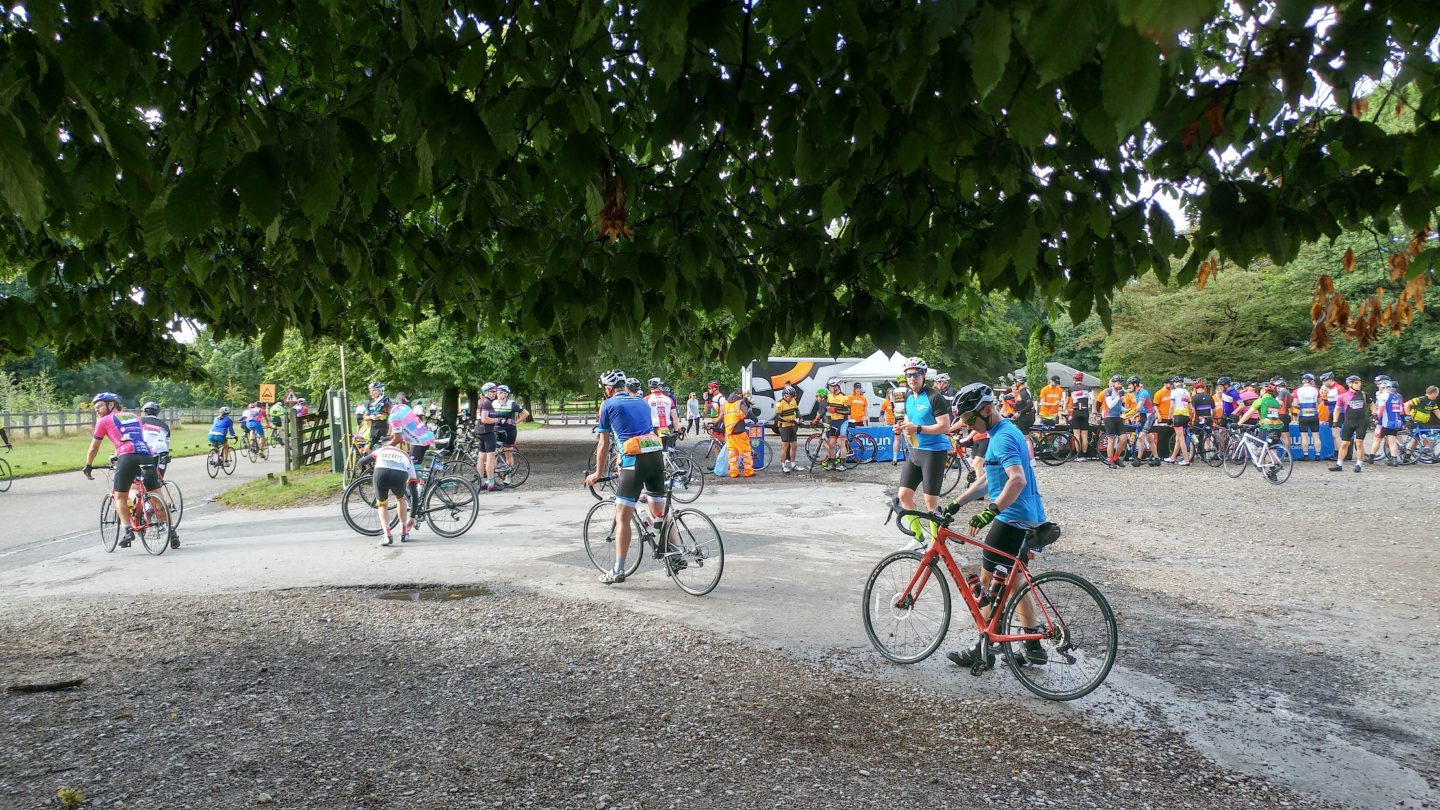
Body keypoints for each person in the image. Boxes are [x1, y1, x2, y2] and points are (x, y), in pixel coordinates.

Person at [944, 382, 1049, 669]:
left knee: (987, 583)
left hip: (1012, 518)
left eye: (969, 419)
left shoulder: (1002, 437)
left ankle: (984, 649)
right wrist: (958, 502)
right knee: (1014, 581)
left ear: (987, 409)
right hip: (1027, 515)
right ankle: (1034, 647)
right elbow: (991, 479)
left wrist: (990, 512)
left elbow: (1017, 480)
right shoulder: (1001, 433)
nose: (966, 426)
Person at [585, 369, 667, 584]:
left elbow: (603, 444)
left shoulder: (607, 405)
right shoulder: (641, 401)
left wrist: (598, 472)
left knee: (622, 517)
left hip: (633, 462)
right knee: (661, 513)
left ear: (608, 389)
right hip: (656, 457)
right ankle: (676, 554)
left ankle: (618, 569)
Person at [82, 393, 174, 549]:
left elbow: (94, 447)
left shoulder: (103, 421)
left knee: (120, 497)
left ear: (111, 405)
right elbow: (133, 437)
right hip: (146, 456)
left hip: (127, 457)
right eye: (95, 408)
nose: (96, 410)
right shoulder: (135, 416)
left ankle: (128, 531)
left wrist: (88, 465)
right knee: (157, 496)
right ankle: (171, 531)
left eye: (99, 406)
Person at [894, 358, 952, 544]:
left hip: (934, 452)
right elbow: (909, 423)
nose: (912, 378)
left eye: (916, 374)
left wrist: (917, 428)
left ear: (923, 376)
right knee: (904, 496)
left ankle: (936, 545)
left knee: (931, 504)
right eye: (909, 375)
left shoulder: (935, 397)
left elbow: (945, 427)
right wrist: (901, 428)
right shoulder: (909, 397)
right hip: (916, 451)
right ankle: (919, 538)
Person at [138, 401, 180, 548]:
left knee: (136, 485)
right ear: (157, 413)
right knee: (156, 484)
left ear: (144, 411)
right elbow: (166, 446)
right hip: (158, 457)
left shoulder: (139, 422)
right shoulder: (164, 426)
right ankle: (170, 528)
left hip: (139, 455)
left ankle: (148, 508)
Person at [367, 433, 418, 546]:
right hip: (399, 475)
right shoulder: (406, 456)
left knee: (382, 505)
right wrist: (413, 516)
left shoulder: (382, 449)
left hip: (381, 473)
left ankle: (387, 535)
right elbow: (414, 492)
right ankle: (404, 533)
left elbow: (363, 461)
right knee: (401, 499)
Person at [388, 392, 436, 509]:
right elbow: (395, 433)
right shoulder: (402, 407)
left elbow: (397, 438)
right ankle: (419, 490)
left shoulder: (393, 416)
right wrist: (390, 439)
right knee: (413, 466)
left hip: (419, 441)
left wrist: (387, 446)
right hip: (424, 437)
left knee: (411, 466)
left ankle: (420, 491)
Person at [1331, 375, 1369, 473]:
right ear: (1350, 384)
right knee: (1344, 443)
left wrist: (1374, 414)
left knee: (1359, 443)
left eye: (1360, 382)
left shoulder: (1364, 394)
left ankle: (1359, 464)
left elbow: (1372, 404)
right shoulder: (1343, 396)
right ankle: (1339, 464)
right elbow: (1337, 409)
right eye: (1356, 383)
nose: (1359, 384)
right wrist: (1335, 421)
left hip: (1361, 421)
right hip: (1349, 422)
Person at [721, 388, 756, 478]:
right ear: (740, 395)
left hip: (729, 432)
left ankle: (733, 473)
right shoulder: (739, 402)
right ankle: (748, 472)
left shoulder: (726, 403)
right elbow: (747, 412)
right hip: (738, 431)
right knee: (746, 452)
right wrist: (755, 419)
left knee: (733, 453)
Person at [473, 382, 502, 491]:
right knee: (490, 458)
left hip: (480, 432)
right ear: (486, 392)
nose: (495, 393)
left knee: (481, 457)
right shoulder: (487, 403)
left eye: (496, 391)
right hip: (487, 433)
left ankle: (481, 482)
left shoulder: (481, 402)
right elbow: (485, 419)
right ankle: (491, 483)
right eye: (492, 391)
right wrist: (497, 420)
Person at [1369, 378, 1404, 466]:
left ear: (1383, 387)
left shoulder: (1383, 396)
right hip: (1396, 421)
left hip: (1385, 422)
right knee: (1392, 441)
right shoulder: (1396, 396)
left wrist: (1375, 419)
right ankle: (1394, 460)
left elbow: (1380, 409)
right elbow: (1400, 410)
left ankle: (1371, 458)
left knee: (1377, 439)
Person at [1292, 373, 1322, 461]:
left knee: (1304, 436)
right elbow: (1319, 402)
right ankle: (1317, 455)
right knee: (1316, 436)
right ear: (1311, 381)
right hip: (1314, 415)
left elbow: (1295, 404)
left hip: (1303, 415)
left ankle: (1305, 455)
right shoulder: (1316, 390)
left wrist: (1301, 407)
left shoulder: (1297, 391)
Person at [1404, 385, 1440, 457]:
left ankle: (1408, 457)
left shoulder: (1432, 403)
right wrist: (1408, 415)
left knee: (1425, 438)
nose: (1437, 395)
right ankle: (1407, 456)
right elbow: (1407, 404)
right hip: (1413, 422)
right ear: (1433, 393)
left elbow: (1438, 413)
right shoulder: (1420, 399)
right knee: (1417, 439)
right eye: (1437, 393)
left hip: (1422, 423)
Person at [1100, 375, 1127, 467]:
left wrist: (1127, 410)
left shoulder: (1119, 392)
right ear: (1113, 383)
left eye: (1121, 383)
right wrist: (1118, 397)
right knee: (1111, 440)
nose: (1120, 385)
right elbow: (1110, 405)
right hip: (1109, 417)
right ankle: (1110, 460)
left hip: (1117, 416)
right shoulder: (1109, 391)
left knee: (1123, 438)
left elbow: (1119, 406)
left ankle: (1116, 457)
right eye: (1118, 383)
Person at [645, 378, 680, 449]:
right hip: (666, 427)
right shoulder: (669, 399)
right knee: (665, 449)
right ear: (660, 387)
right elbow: (675, 417)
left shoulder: (646, 399)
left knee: (654, 450)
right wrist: (676, 430)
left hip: (653, 428)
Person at [1065, 372, 1093, 459]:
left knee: (1076, 435)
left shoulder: (1071, 389)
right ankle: (1084, 455)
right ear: (1082, 379)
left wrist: (1065, 409)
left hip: (1076, 411)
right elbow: (1093, 399)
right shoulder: (1088, 388)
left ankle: (1078, 455)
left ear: (1074, 379)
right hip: (1085, 411)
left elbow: (1066, 401)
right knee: (1084, 435)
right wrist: (1094, 410)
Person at [774, 385, 801, 473]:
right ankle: (783, 465)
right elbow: (778, 417)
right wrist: (790, 420)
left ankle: (793, 465)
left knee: (794, 445)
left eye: (793, 397)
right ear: (785, 396)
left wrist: (799, 417)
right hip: (784, 426)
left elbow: (797, 410)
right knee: (785, 446)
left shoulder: (793, 400)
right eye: (790, 397)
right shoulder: (779, 403)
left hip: (792, 425)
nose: (792, 398)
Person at [1166, 377, 1192, 465]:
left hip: (1178, 416)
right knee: (1178, 438)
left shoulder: (1174, 392)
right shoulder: (1186, 392)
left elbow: (1171, 406)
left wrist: (1169, 418)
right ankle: (1173, 457)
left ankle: (1186, 460)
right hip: (1186, 415)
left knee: (1181, 439)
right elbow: (1190, 407)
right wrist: (1191, 418)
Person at [1321, 371, 1343, 461]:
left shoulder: (1339, 388)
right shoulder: (1328, 388)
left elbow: (1343, 401)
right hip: (1331, 412)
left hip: (1339, 412)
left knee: (1336, 434)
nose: (1323, 383)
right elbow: (1324, 400)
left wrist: (1330, 402)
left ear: (1330, 379)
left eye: (1324, 381)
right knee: (1334, 435)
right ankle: (1336, 453)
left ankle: (1341, 454)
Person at [365, 382, 392, 449]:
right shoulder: (370, 402)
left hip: (385, 429)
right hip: (373, 429)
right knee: (371, 449)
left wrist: (382, 416)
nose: (372, 392)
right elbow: (365, 416)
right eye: (370, 391)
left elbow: (390, 415)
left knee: (384, 449)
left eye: (374, 390)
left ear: (380, 390)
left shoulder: (386, 400)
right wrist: (372, 417)